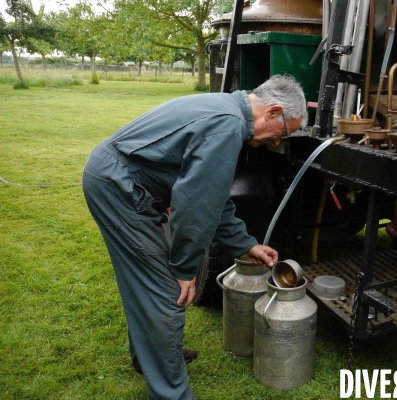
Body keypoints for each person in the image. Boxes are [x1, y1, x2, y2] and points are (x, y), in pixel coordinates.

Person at [82, 75, 308, 399]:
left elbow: (212, 196)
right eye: (284, 133)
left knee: (146, 285)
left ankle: (154, 358)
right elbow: (195, 206)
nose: (277, 142)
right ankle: (171, 391)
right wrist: (184, 269)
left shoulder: (227, 112)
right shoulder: (227, 126)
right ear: (273, 112)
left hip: (118, 181)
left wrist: (247, 244)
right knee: (165, 293)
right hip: (120, 188)